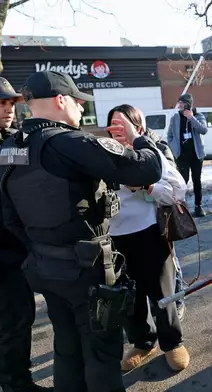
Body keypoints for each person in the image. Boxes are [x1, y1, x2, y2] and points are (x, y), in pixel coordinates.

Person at [0, 70, 162, 392]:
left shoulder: (9, 149)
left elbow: (9, 217)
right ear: (61, 101)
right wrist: (140, 137)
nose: (80, 109)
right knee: (102, 354)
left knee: (68, 349)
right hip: (87, 271)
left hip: (45, 267)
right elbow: (148, 167)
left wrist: (41, 248)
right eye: (77, 102)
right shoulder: (69, 142)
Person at [106, 105, 190, 373]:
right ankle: (142, 341)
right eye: (113, 125)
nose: (117, 130)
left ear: (137, 128)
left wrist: (146, 186)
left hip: (149, 234)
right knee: (130, 297)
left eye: (124, 125)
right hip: (114, 239)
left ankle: (172, 342)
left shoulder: (150, 155)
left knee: (161, 293)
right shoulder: (100, 156)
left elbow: (178, 192)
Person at [0, 77, 51, 392]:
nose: (6, 109)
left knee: (19, 319)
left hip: (18, 248)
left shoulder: (15, 141)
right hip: (4, 254)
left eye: (9, 103)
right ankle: (16, 384)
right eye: (0, 104)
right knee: (13, 323)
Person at [166, 93, 208, 217]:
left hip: (196, 155)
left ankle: (198, 206)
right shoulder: (175, 118)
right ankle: (182, 207)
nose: (180, 105)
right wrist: (175, 150)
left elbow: (203, 130)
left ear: (188, 104)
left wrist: (191, 118)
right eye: (179, 103)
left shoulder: (198, 116)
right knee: (182, 182)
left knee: (197, 180)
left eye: (182, 103)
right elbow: (170, 136)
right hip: (182, 156)